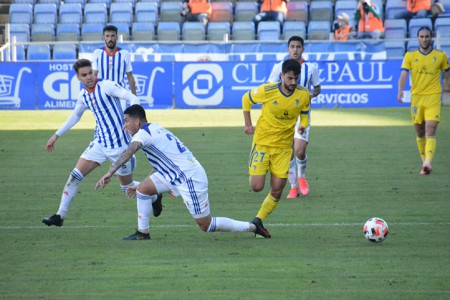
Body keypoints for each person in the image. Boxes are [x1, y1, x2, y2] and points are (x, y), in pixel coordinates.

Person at [95, 104, 271, 240]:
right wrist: (145, 182)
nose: (124, 126)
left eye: (126, 121)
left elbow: (128, 152)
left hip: (190, 179)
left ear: (137, 122)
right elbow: (162, 163)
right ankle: (143, 232)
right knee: (142, 189)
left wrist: (110, 172)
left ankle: (254, 227)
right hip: (174, 174)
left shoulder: (142, 134)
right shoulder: (155, 127)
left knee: (205, 225)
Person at [42, 59, 161, 227]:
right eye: (84, 75)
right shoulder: (83, 96)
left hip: (120, 146)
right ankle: (59, 215)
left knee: (125, 188)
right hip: (99, 144)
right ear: (78, 77)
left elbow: (132, 97)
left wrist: (133, 121)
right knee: (74, 176)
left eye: (90, 73)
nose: (89, 77)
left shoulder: (106, 86)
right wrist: (56, 135)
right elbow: (76, 116)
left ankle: (155, 195)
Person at [243, 59, 310, 226]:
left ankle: (258, 220)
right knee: (257, 186)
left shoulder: (303, 94)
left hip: (284, 148)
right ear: (282, 76)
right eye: (290, 78)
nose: (293, 82)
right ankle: (258, 168)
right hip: (263, 143)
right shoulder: (268, 90)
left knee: (278, 189)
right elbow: (246, 99)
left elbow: (305, 113)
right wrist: (248, 124)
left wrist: (303, 125)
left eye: (296, 79)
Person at [267, 36, 321, 198]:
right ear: (288, 49)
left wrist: (309, 96)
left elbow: (317, 89)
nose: (295, 49)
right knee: (287, 151)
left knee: (299, 150)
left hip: (302, 115)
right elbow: (270, 88)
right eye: (292, 47)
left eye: (298, 47)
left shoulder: (311, 68)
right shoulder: (279, 68)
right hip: (283, 117)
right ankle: (293, 187)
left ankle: (301, 176)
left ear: (303, 49)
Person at [397, 26, 450, 175]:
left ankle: (428, 162)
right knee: (419, 132)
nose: (424, 39)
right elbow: (403, 75)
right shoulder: (410, 55)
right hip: (417, 99)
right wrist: (400, 90)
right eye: (422, 36)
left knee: (430, 130)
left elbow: (447, 75)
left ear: (431, 38)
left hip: (433, 97)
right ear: (417, 38)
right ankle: (424, 162)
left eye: (427, 36)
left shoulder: (440, 56)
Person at [91, 25, 136, 111]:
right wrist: (93, 94)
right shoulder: (97, 53)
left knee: (121, 119)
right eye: (107, 36)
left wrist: (134, 96)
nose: (110, 39)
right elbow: (94, 75)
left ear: (116, 37)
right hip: (103, 93)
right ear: (104, 37)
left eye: (112, 36)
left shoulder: (124, 54)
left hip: (120, 91)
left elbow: (130, 76)